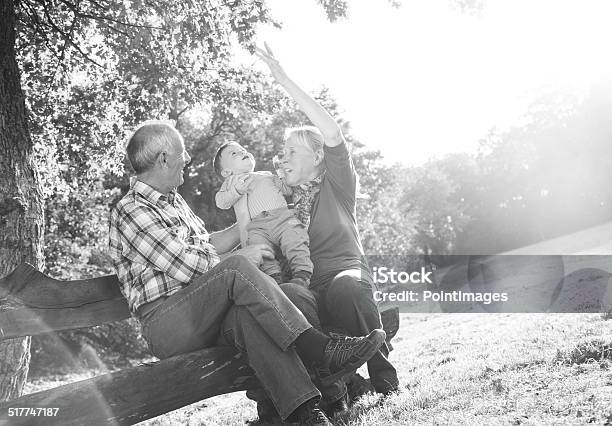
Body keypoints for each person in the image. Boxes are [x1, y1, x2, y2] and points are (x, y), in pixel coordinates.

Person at [107, 121, 386, 425]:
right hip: (166, 321)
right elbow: (187, 264)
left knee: (250, 318)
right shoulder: (131, 208)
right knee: (238, 267)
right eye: (182, 153)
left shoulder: (175, 202)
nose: (187, 159)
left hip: (203, 311)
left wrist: (255, 220)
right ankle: (319, 350)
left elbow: (208, 243)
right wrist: (241, 255)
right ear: (163, 159)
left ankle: (303, 412)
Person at [255, 44, 400, 414]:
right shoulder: (281, 202)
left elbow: (333, 132)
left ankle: (384, 377)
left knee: (346, 288)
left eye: (291, 152)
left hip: (345, 271)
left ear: (317, 158)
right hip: (308, 286)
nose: (282, 158)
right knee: (289, 295)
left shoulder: (337, 185)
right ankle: (336, 388)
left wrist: (284, 81)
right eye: (283, 152)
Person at [213, 141, 312, 287]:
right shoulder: (231, 182)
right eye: (234, 153)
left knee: (295, 238)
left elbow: (287, 190)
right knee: (261, 250)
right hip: (257, 227)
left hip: (282, 218)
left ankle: (302, 273)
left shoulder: (266, 175)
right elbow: (221, 202)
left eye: (242, 149)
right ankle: (273, 279)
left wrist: (280, 172)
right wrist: (236, 191)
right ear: (227, 172)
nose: (242, 152)